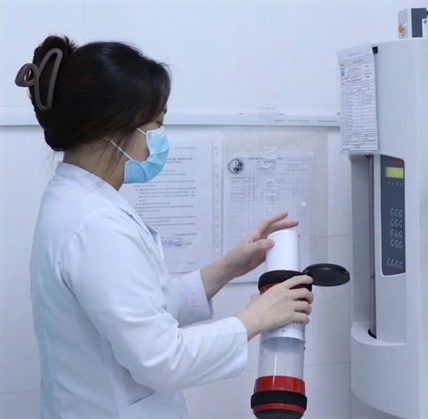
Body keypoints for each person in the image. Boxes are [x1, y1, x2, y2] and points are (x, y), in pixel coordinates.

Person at [17, 35, 314, 418]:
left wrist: (228, 267)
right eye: (155, 124)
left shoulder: (73, 199)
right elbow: (161, 359)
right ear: (113, 129)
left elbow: (142, 306)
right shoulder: (96, 225)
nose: (159, 139)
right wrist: (255, 319)